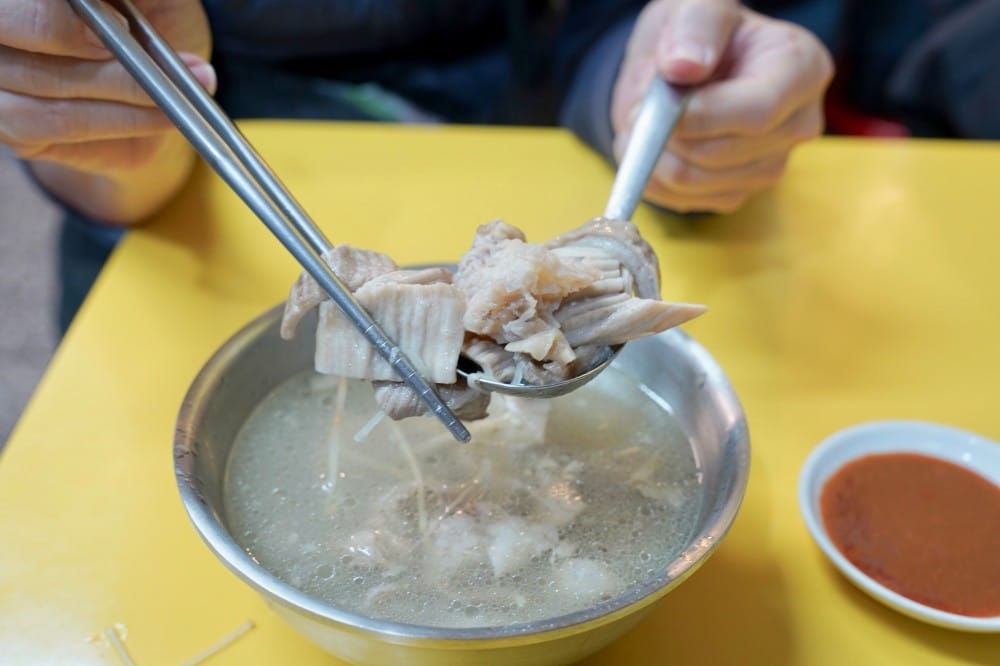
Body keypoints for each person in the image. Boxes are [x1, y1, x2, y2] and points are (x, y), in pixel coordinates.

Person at [0, 0, 834, 330]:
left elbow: (616, 20)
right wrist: (98, 118)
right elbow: (120, 166)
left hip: (534, 106)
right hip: (204, 197)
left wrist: (660, 89)